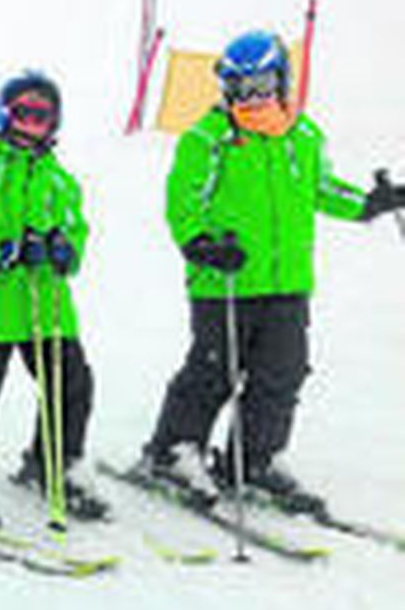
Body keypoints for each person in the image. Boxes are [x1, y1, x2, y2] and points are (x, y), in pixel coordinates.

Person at [139, 30, 405, 511]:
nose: (251, 97)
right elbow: (183, 200)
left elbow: (323, 189)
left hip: (287, 282)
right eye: (239, 87)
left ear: (281, 79)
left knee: (281, 373)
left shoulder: (302, 136)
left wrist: (369, 203)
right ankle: (173, 450)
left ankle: (255, 459)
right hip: (226, 278)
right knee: (214, 370)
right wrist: (200, 244)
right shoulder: (209, 138)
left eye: (260, 85)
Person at [0, 70, 106, 526]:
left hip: (46, 306)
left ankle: (54, 462)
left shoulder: (59, 180)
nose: (33, 123)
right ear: (5, 115)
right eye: (24, 113)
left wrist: (62, 249)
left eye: (42, 116)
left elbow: (77, 229)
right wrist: (1, 251)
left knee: (72, 381)